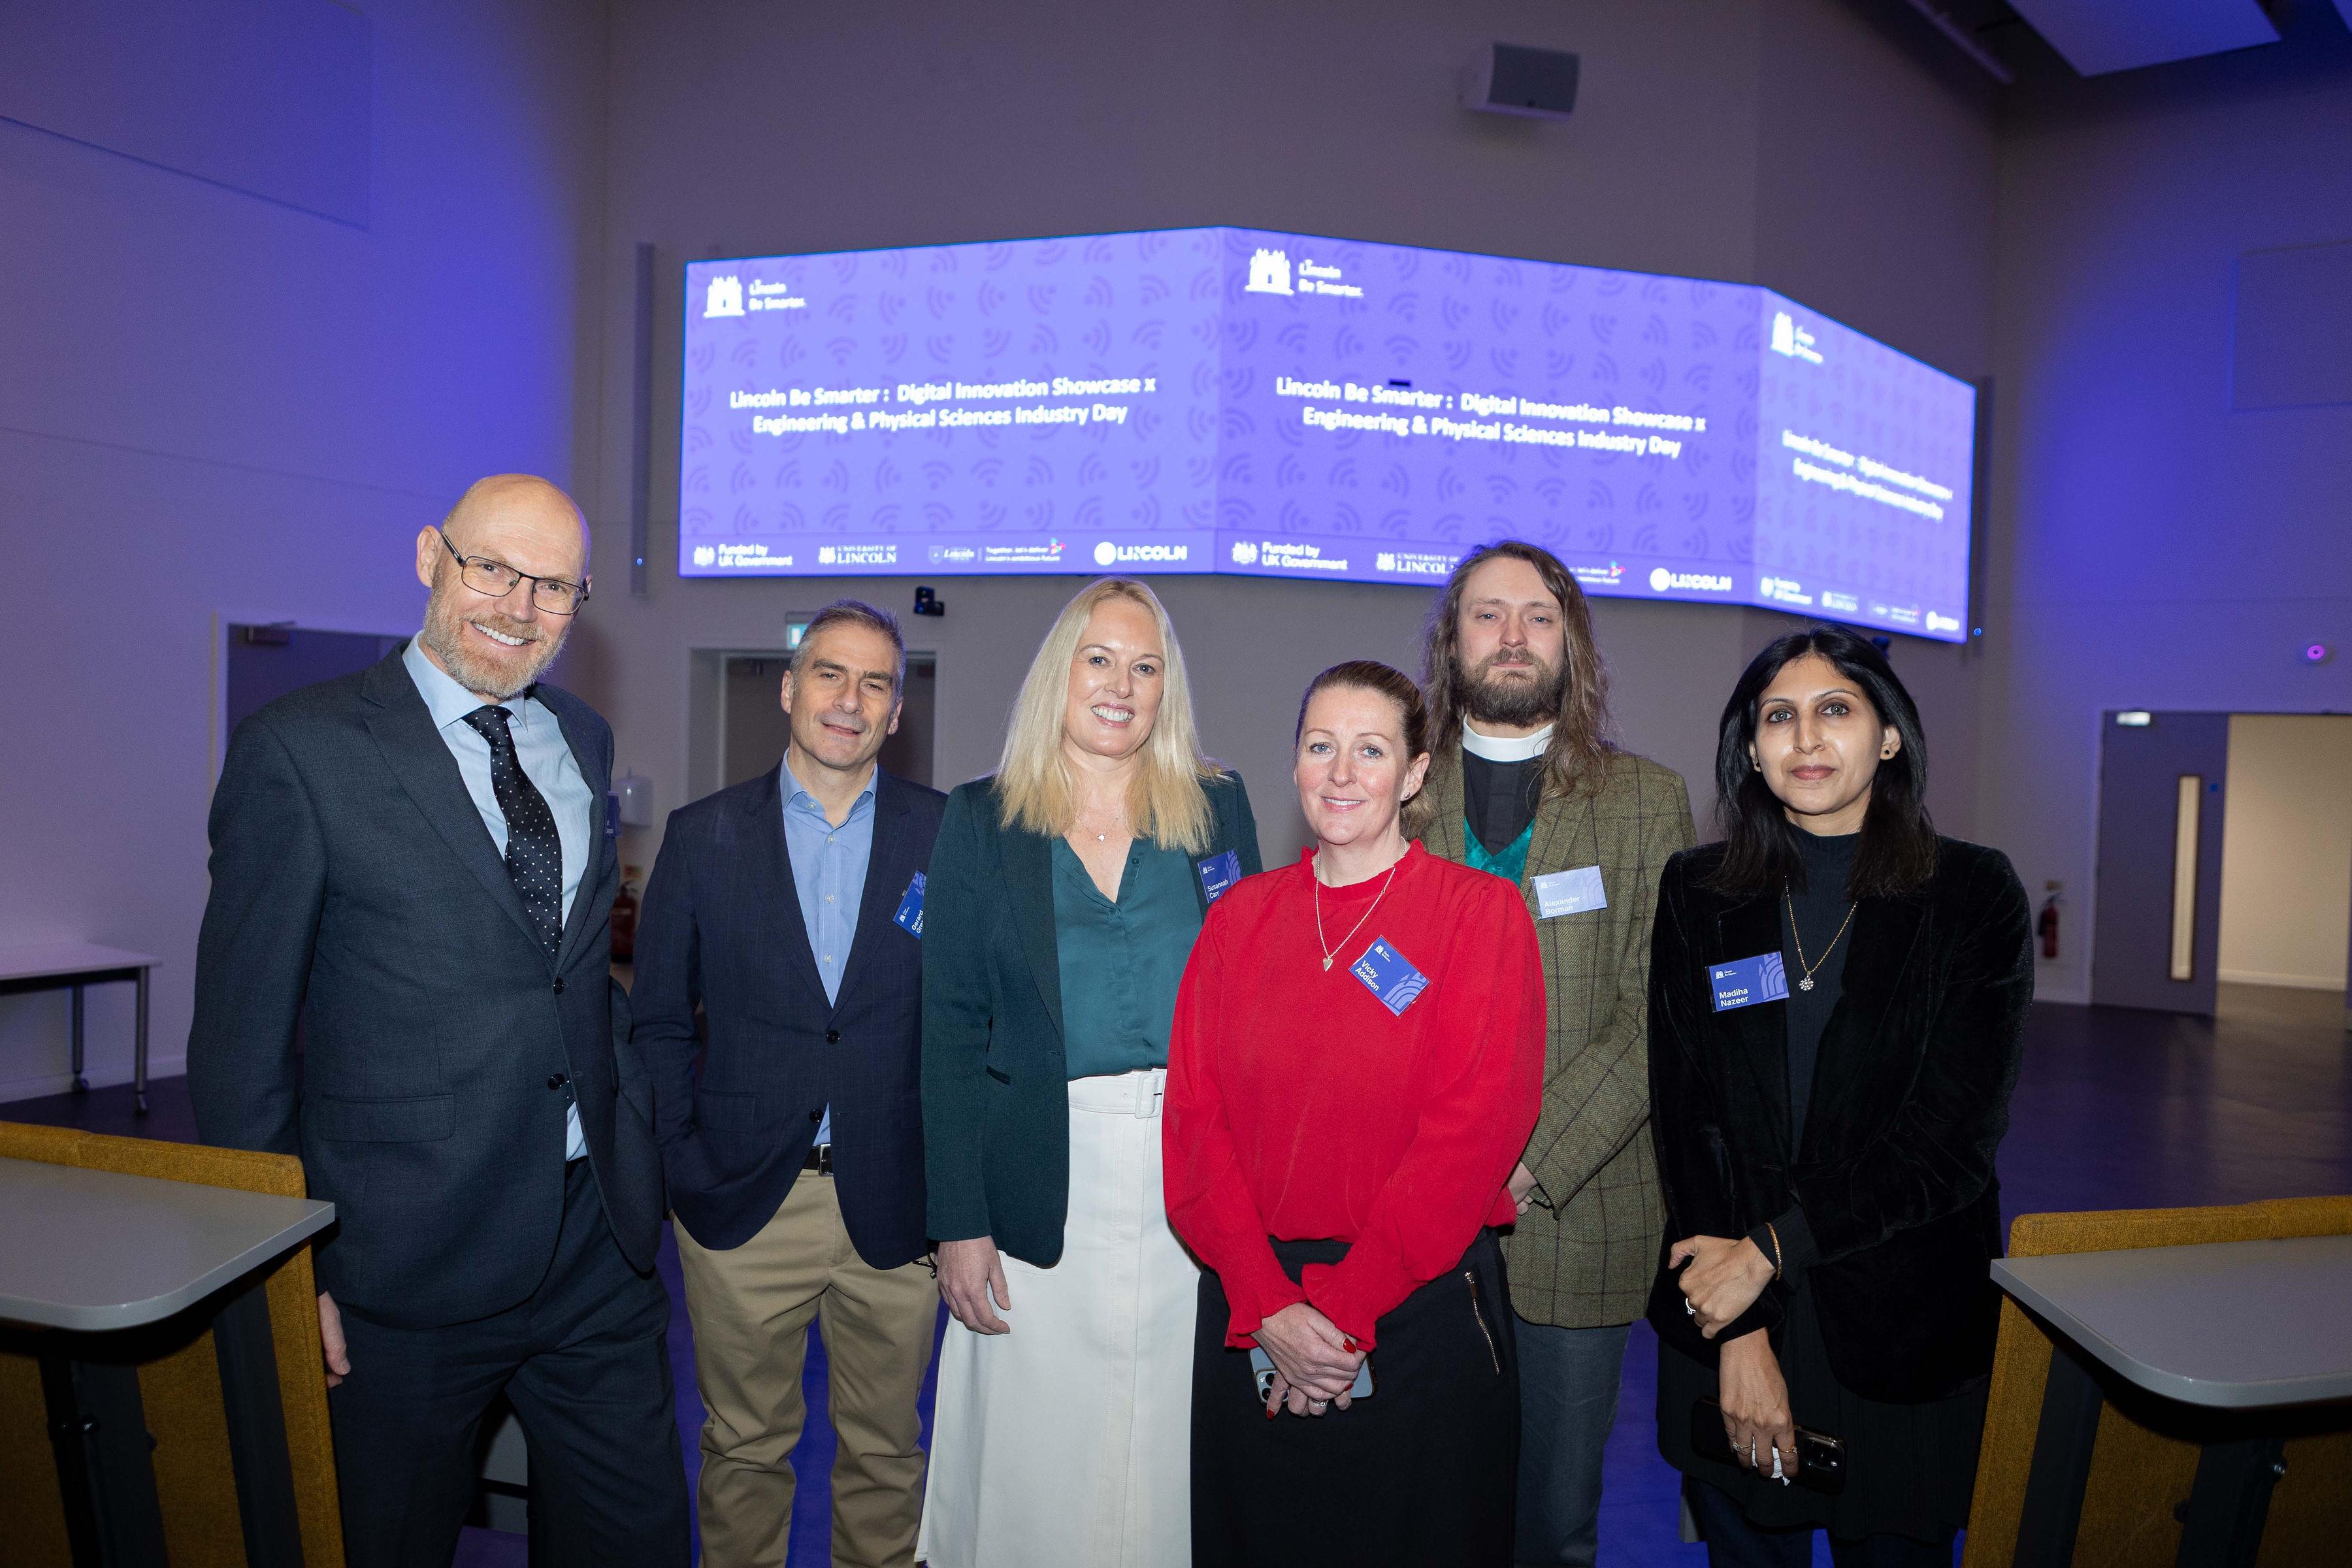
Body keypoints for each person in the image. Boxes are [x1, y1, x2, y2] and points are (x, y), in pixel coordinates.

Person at [188, 475, 689, 1566]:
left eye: (553, 586)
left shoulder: (583, 740)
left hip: (595, 1242)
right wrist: (281, 1267)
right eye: (491, 568)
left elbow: (560, 976)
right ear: (430, 556)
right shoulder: (300, 751)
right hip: (398, 1260)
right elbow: (240, 1044)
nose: (518, 605)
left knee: (639, 1537)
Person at [1646, 626, 2033, 1565]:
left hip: (1900, 1328)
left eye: (1836, 711)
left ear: (1888, 736)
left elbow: (1950, 1146)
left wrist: (1775, 1250)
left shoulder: (1973, 895)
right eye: (1779, 717)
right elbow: (1688, 1118)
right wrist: (1736, 1327)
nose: (1807, 740)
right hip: (1733, 1324)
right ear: (1750, 748)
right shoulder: (1700, 891)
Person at [1165, 660, 1546, 1567]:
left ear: (1415, 773)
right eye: (1320, 747)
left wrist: (1339, 1314)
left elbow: (1473, 1133)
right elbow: (1193, 1127)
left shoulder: (1478, 915)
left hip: (1418, 1311)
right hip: (1253, 1312)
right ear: (1295, 765)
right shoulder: (1238, 921)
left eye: (1370, 750)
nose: (1341, 773)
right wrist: (1270, 1309)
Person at [917, 578, 1261, 1568]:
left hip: (1188, 1178)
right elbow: (946, 1032)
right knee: (1041, 1457)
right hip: (1035, 1178)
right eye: (1099, 659)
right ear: (1058, 674)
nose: (1122, 685)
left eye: (1145, 666)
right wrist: (958, 1223)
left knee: (1167, 1449)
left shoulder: (1215, 809)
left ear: (1168, 689)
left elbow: (1246, 1003)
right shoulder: (983, 819)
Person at [630, 600, 945, 1568]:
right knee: (743, 1453)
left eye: (876, 683)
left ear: (898, 713)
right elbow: (654, 1021)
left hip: (897, 1209)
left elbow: (969, 1023)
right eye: (829, 675)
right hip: (740, 1206)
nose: (849, 701)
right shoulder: (702, 836)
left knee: (888, 1457)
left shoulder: (951, 841)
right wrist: (684, 1165)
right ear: (789, 688)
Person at [1414, 539, 1694, 1567]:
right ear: (1453, 642)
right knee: (1432, 1504)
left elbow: (1652, 1013)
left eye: (1537, 616)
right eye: (1487, 614)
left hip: (1578, 1217)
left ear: (1570, 642)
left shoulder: (1644, 802)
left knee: (1554, 1525)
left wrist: (1528, 1160)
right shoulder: (1396, 793)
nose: (1513, 636)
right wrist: (1438, 1159)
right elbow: (1368, 989)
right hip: (1414, 1220)